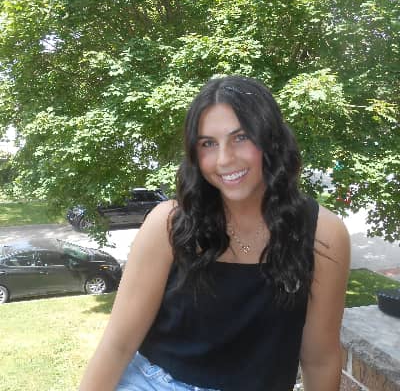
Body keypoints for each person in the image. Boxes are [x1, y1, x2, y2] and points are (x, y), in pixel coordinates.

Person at [79, 75, 350, 391]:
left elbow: (320, 359)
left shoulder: (323, 234)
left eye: (241, 137)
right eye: (208, 143)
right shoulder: (169, 224)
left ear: (271, 140)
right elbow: (118, 344)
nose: (224, 160)